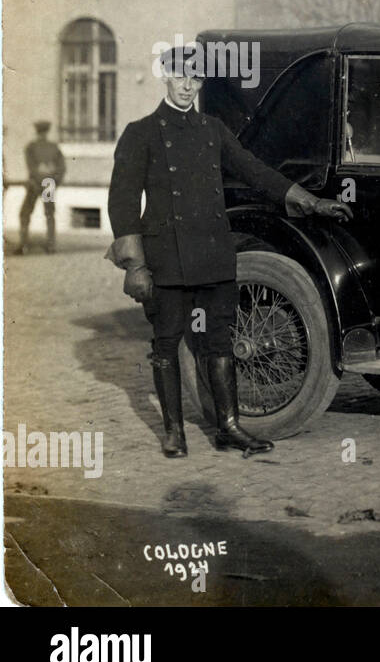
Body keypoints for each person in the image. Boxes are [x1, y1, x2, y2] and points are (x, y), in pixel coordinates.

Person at [106, 47, 352, 458]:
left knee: (219, 343)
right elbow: (123, 204)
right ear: (165, 77)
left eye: (196, 79)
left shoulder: (212, 129)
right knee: (166, 345)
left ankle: (230, 427)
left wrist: (308, 201)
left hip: (215, 257)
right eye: (181, 77)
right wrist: (135, 266)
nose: (188, 86)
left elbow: (254, 170)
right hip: (167, 259)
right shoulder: (141, 133)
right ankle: (173, 432)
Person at [17, 121, 66, 254]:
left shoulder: (31, 147)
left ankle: (24, 245)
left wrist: (40, 179)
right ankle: (51, 246)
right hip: (48, 184)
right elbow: (61, 168)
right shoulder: (54, 147)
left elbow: (31, 167)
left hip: (35, 184)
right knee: (49, 214)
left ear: (37, 131)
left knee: (25, 213)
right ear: (46, 132)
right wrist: (53, 181)